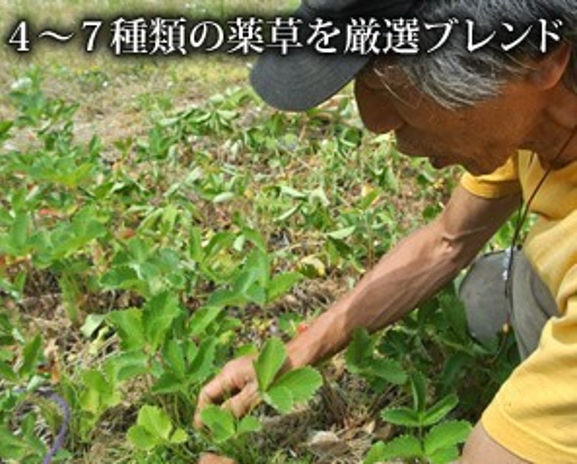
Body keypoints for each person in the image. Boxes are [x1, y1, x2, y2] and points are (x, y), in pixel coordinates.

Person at [195, 1, 577, 462]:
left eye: (392, 81)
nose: (377, 123)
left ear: (541, 55)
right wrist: (291, 357)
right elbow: (446, 240)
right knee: (487, 294)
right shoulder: (538, 119)